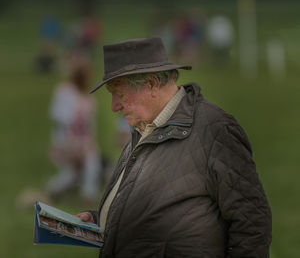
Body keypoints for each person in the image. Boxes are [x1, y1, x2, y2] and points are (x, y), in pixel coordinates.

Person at [76, 37, 272, 257]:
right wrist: (103, 219)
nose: (114, 106)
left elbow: (252, 222)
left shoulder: (214, 128)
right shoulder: (145, 128)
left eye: (119, 94)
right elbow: (161, 210)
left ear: (151, 84)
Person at [46, 59, 102, 205]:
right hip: (67, 140)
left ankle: (89, 196)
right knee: (71, 173)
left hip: (84, 140)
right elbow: (60, 117)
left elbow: (90, 123)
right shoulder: (64, 91)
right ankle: (51, 191)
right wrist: (70, 144)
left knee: (92, 165)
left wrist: (89, 141)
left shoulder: (88, 97)